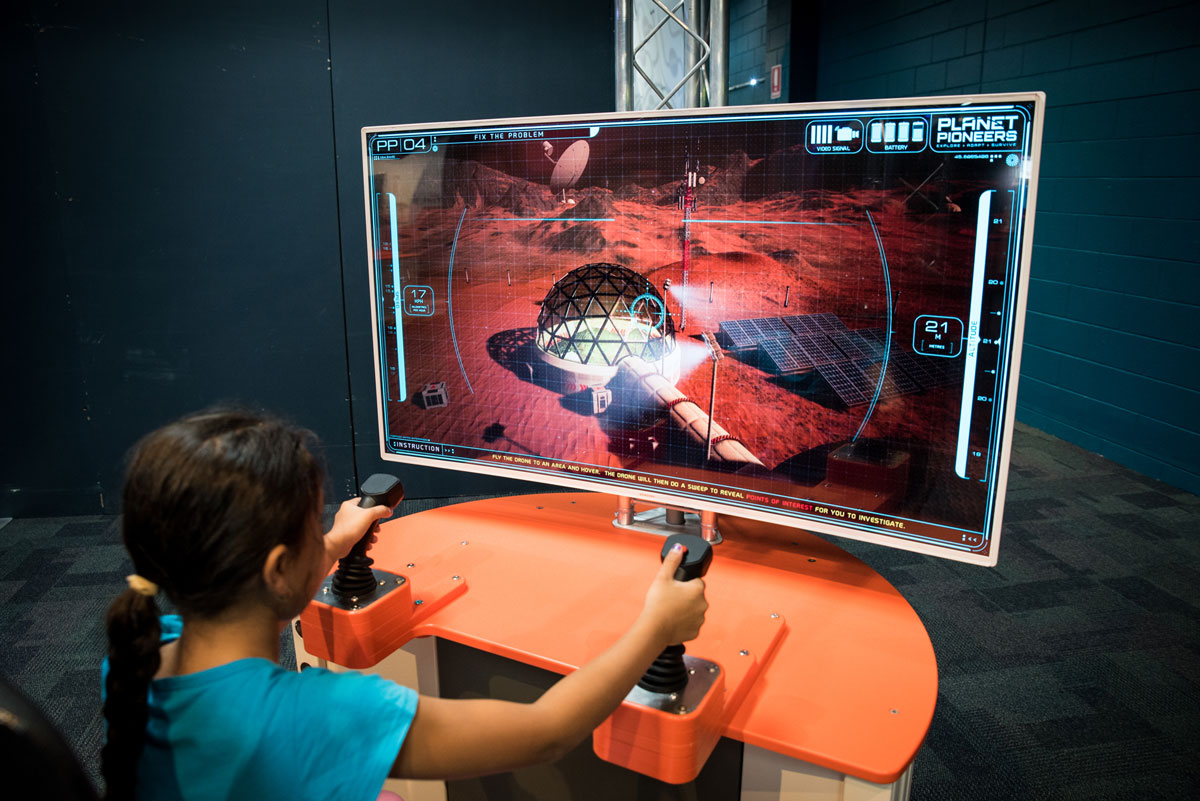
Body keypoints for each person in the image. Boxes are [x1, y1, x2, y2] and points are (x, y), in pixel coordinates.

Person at [101, 409, 708, 801]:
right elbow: (543, 733)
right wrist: (656, 627)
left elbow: (246, 605)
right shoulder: (317, 719)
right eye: (314, 524)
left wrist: (330, 546)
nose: (325, 530)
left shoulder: (139, 653)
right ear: (278, 569)